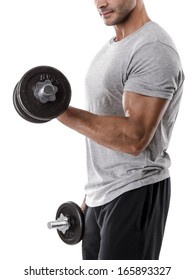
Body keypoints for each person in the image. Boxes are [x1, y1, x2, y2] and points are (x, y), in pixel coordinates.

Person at [57, 0, 184, 260]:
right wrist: (88, 199)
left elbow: (134, 137)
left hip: (135, 190)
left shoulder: (153, 49)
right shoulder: (111, 49)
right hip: (99, 197)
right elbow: (104, 133)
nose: (100, 3)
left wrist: (59, 110)